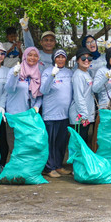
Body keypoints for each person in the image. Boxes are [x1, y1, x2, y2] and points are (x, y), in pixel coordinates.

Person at [39, 49, 73, 178]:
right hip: (50, 114)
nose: (60, 59)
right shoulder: (47, 72)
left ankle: (58, 165)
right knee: (50, 142)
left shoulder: (69, 72)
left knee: (61, 143)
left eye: (62, 57)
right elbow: (43, 90)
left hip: (65, 114)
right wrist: (52, 76)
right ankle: (49, 167)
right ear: (54, 59)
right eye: (58, 57)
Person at [5, 47, 43, 153]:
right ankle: (15, 169)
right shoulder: (15, 70)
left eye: (35, 55)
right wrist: (15, 75)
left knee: (27, 147)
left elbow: (40, 95)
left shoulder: (38, 73)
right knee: (15, 147)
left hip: (29, 116)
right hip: (14, 115)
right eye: (30, 55)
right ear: (25, 56)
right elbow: (9, 89)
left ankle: (26, 169)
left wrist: (37, 106)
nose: (32, 58)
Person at [68, 47, 96, 144]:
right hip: (80, 117)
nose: (86, 60)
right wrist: (84, 115)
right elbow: (78, 96)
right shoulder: (78, 75)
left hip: (85, 115)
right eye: (83, 58)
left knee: (83, 143)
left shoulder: (86, 73)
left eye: (89, 58)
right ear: (77, 61)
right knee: (79, 145)